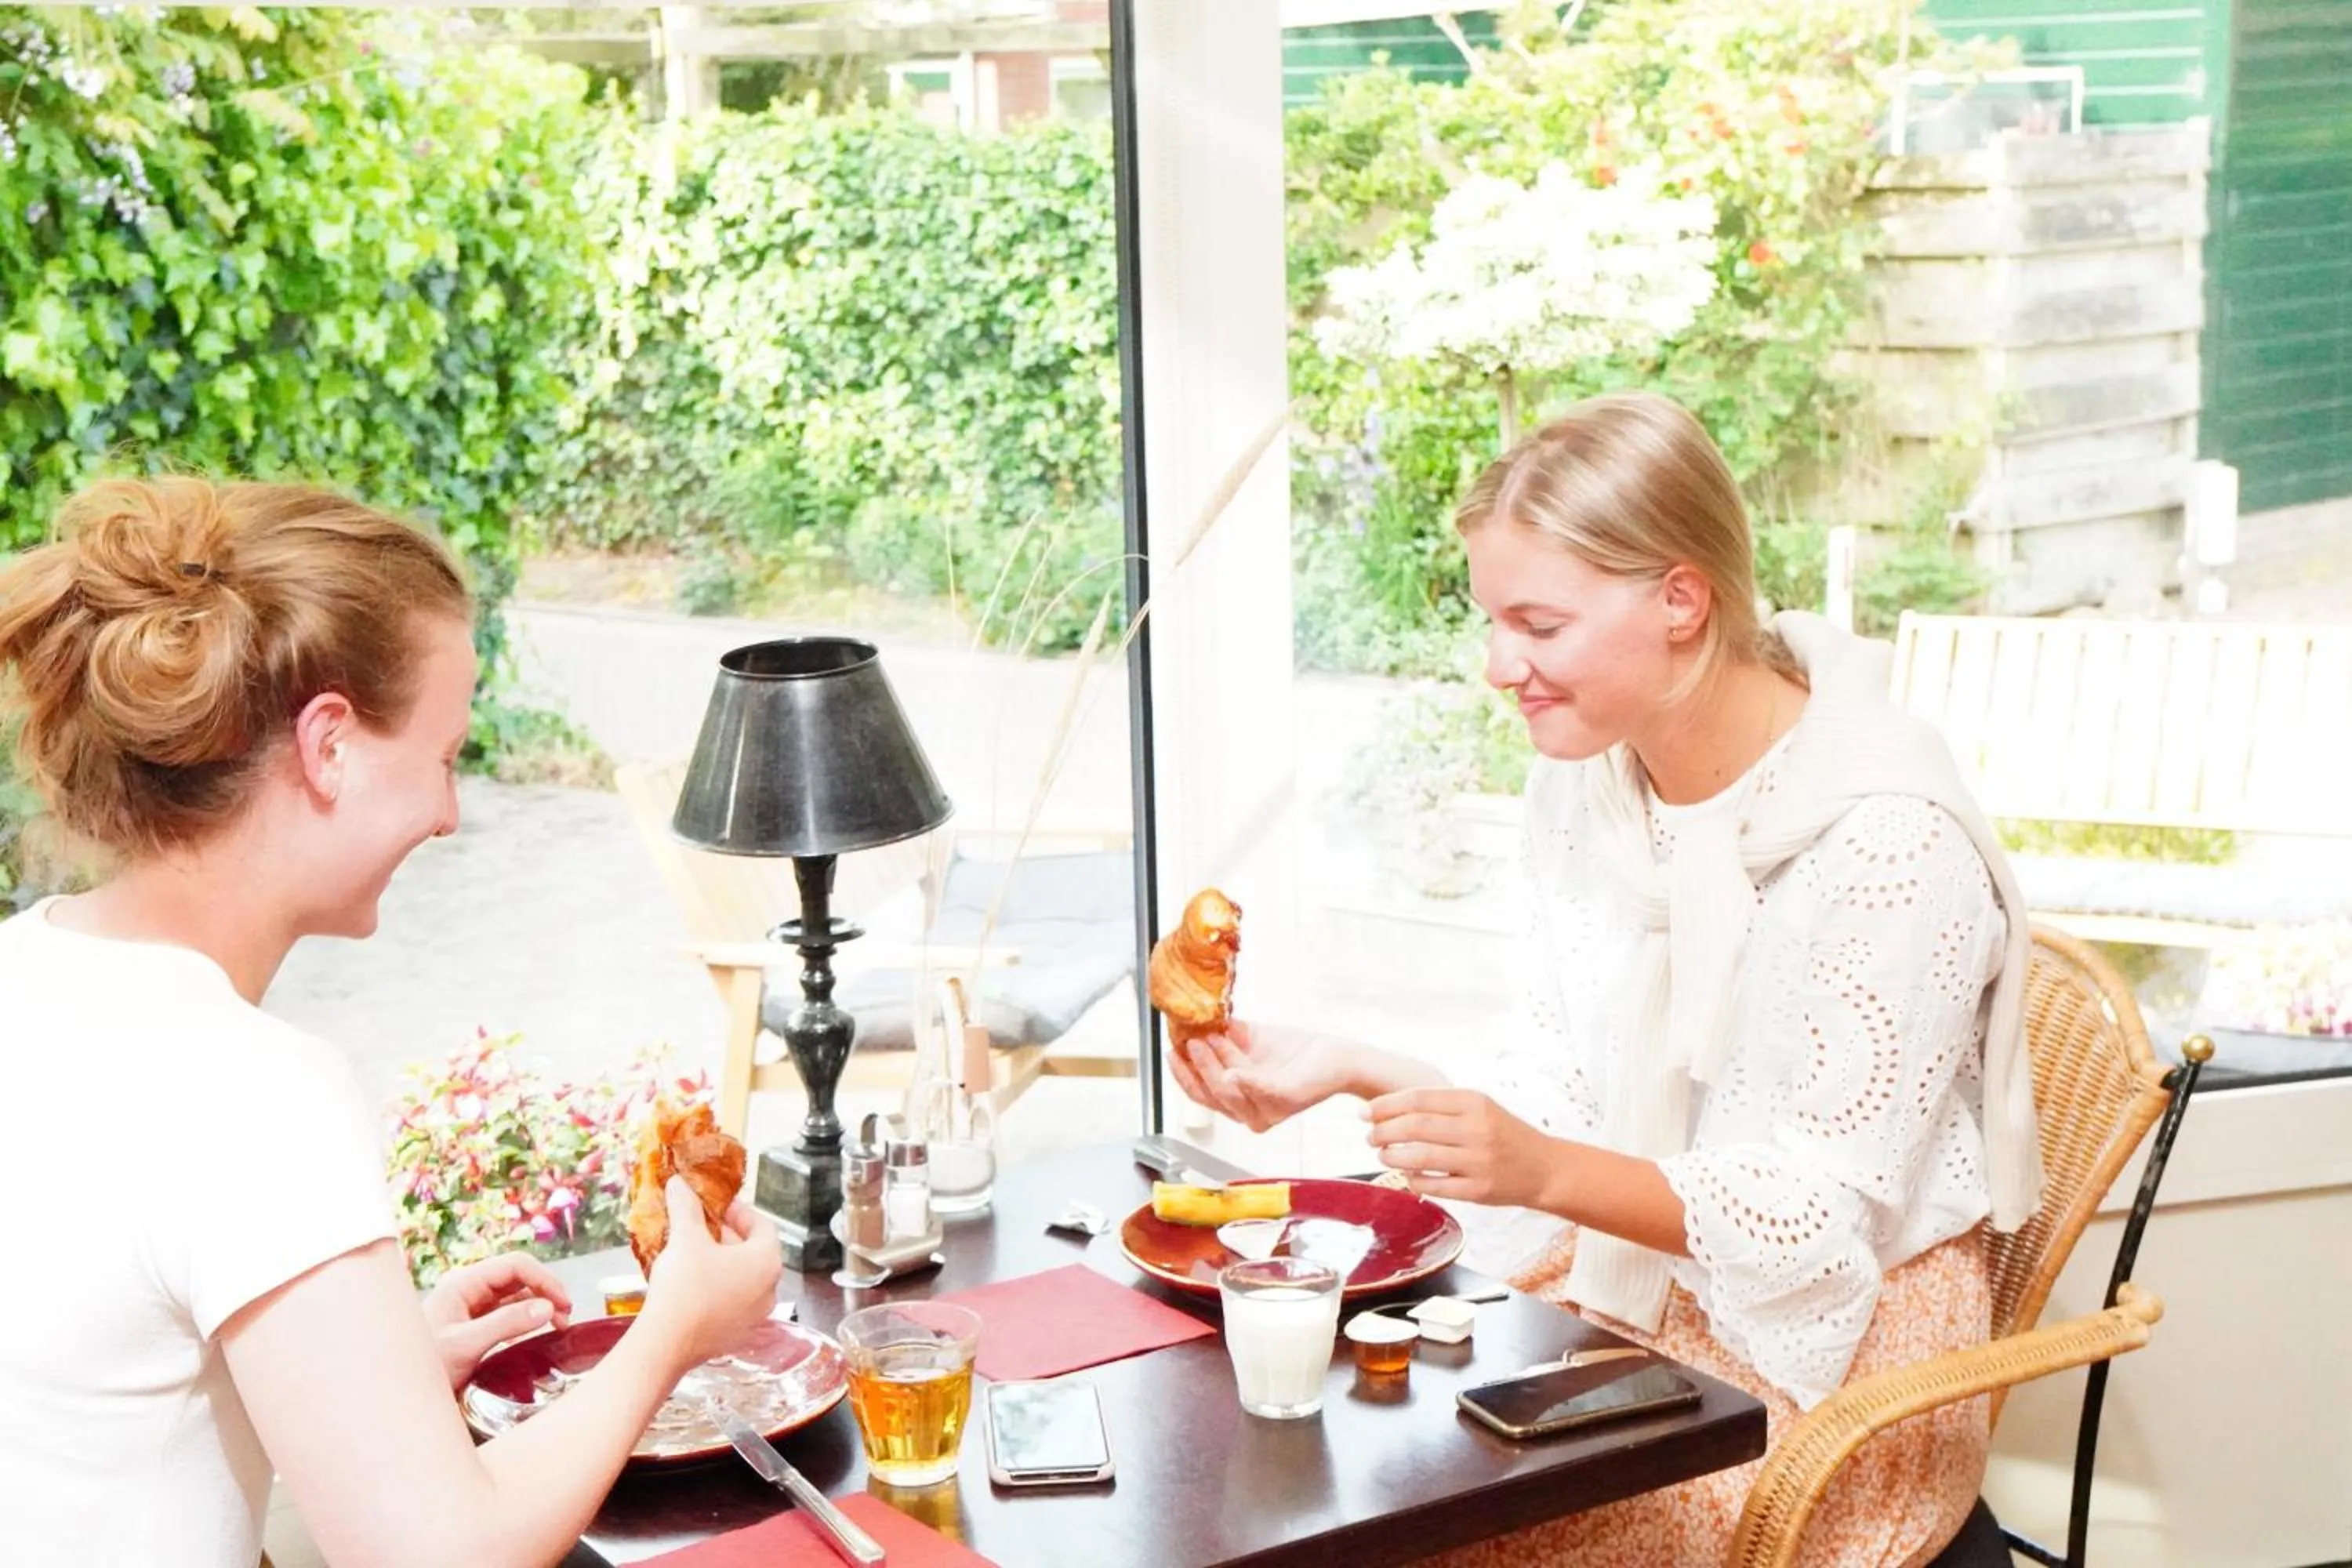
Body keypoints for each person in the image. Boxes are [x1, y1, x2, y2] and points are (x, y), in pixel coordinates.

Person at [1171, 393, 2043, 1565]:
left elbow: (1818, 1215)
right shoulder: (1593, 790)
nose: (1498, 667)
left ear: (1682, 598)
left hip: (1831, 1361)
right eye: (1492, 622)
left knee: (1406, 1526)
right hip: (1617, 1288)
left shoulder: (1888, 846)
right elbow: (1566, 1090)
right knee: (1285, 1458)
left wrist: (1538, 1168)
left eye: (1538, 623)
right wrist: (1354, 1068)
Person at [0, 477, 782, 1567]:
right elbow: (445, 1556)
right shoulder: (247, 1084)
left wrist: (378, 1368)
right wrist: (676, 1333)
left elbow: (82, 1404)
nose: (451, 813)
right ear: (330, 746)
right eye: (444, 754)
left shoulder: (26, 970)